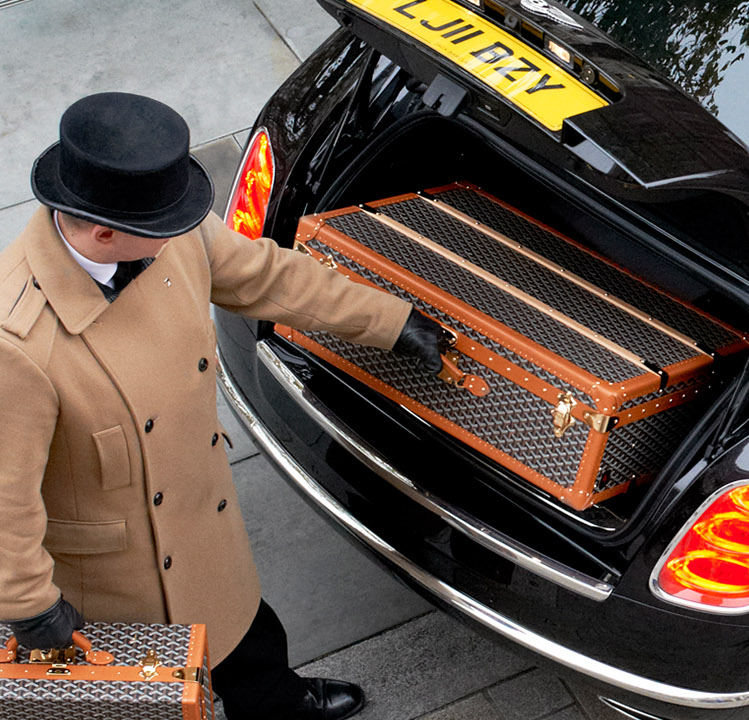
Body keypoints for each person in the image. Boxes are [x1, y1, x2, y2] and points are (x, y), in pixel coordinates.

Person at [0, 92, 449, 720]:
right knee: (155, 700)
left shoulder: (161, 227)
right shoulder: (15, 344)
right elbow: (5, 500)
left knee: (248, 637)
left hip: (198, 516)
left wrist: (389, 321)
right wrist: (29, 606)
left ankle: (281, 705)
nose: (182, 231)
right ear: (103, 231)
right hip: (115, 579)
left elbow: (267, 277)